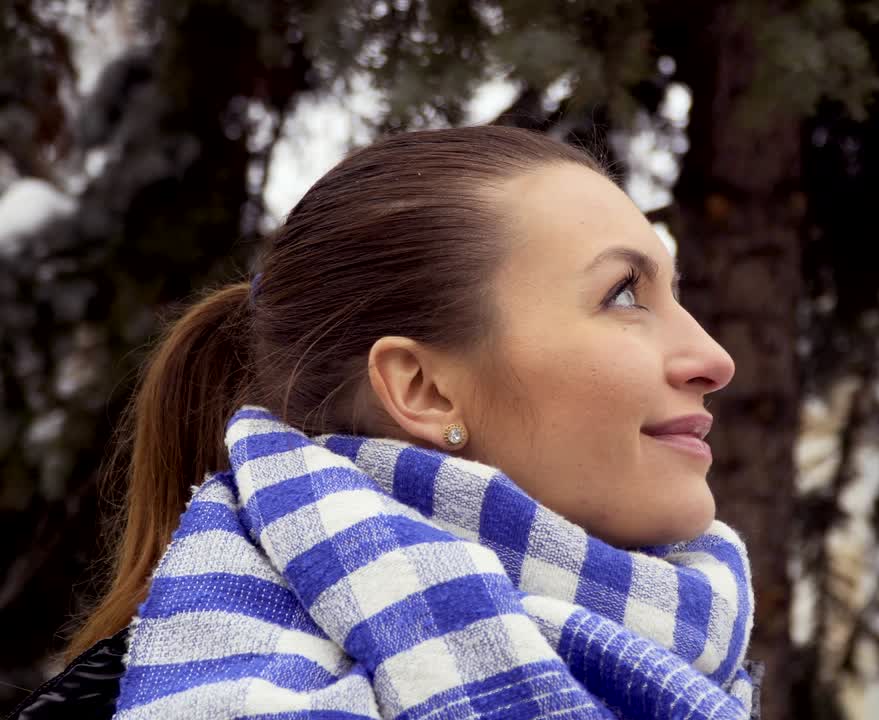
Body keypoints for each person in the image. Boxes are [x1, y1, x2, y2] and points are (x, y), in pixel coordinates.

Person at [11, 126, 759, 719]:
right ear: (425, 389)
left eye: (677, 295)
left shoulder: (691, 675)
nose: (712, 357)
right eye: (625, 295)